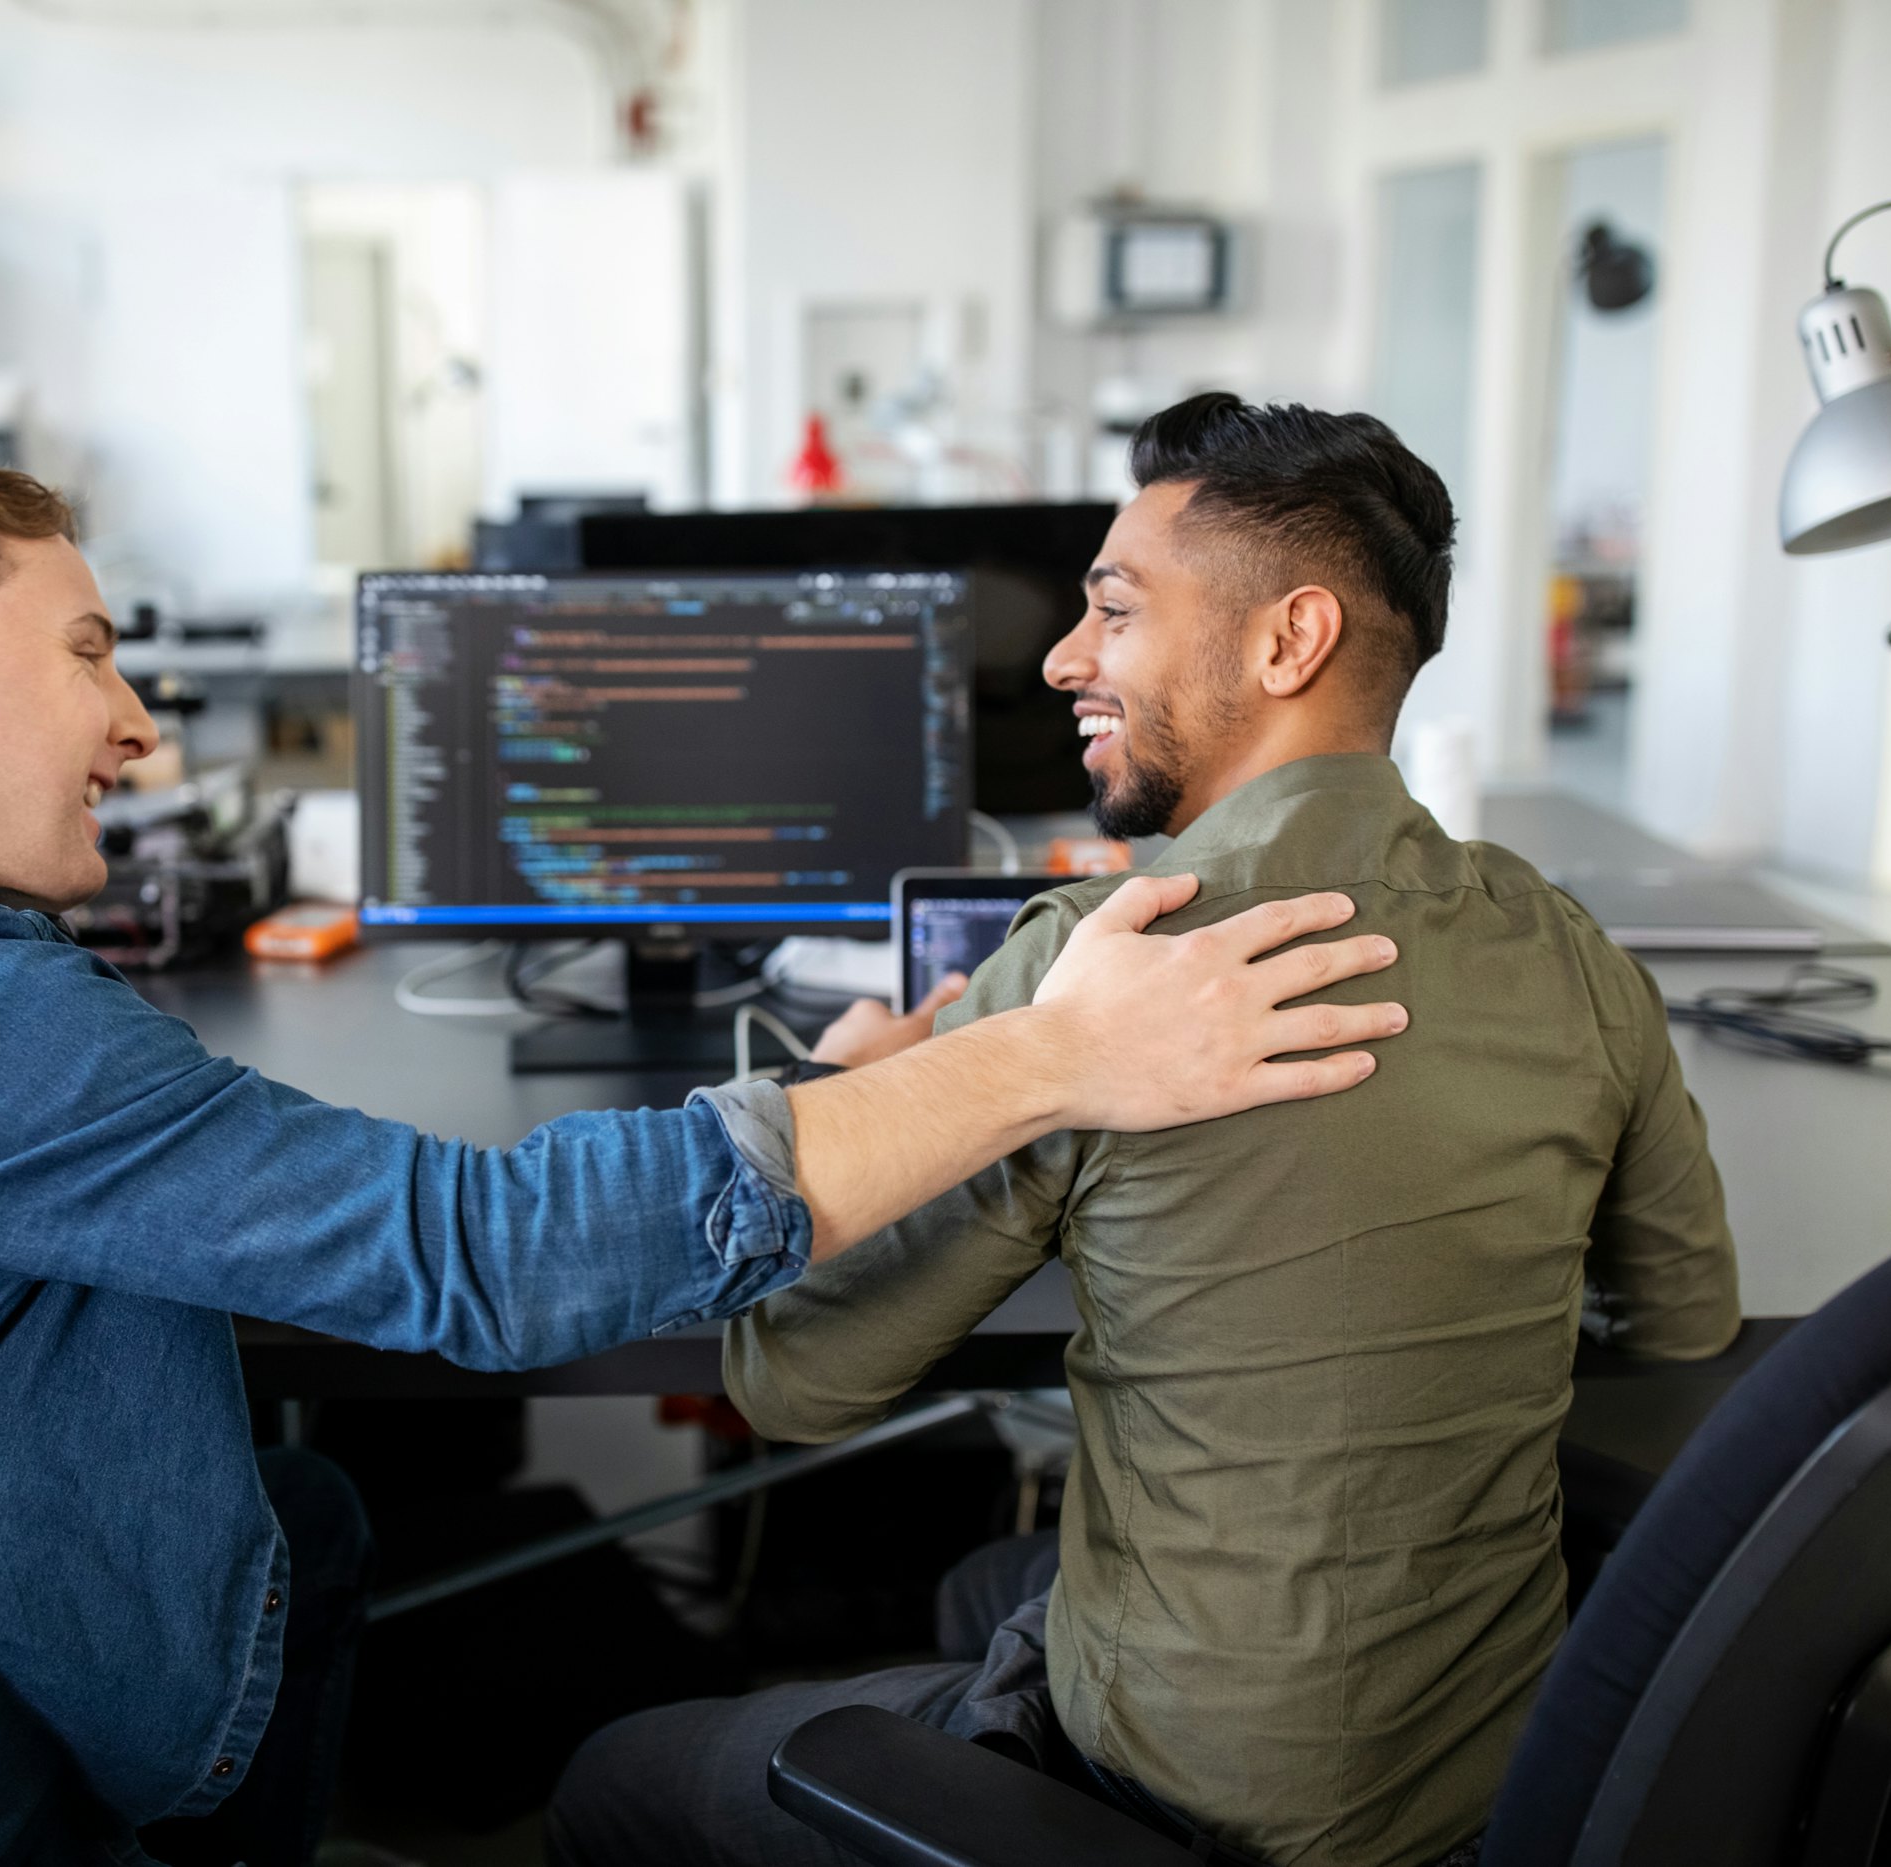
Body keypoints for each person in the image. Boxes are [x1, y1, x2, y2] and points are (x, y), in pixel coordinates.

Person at [0, 442, 1412, 1867]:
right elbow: (478, 1258)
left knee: (313, 1523)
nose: (140, 727)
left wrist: (845, 1090)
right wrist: (1045, 1059)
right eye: (87, 654)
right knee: (327, 1520)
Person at [548, 395, 1742, 1867]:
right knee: (1000, 1578)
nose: (1061, 657)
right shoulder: (1570, 950)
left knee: (613, 1780)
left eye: (1112, 611)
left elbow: (794, 1377)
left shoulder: (1104, 954)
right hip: (1484, 1778)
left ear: (1286, 642)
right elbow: (1683, 1319)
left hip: (1186, 1792)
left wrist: (839, 1095)